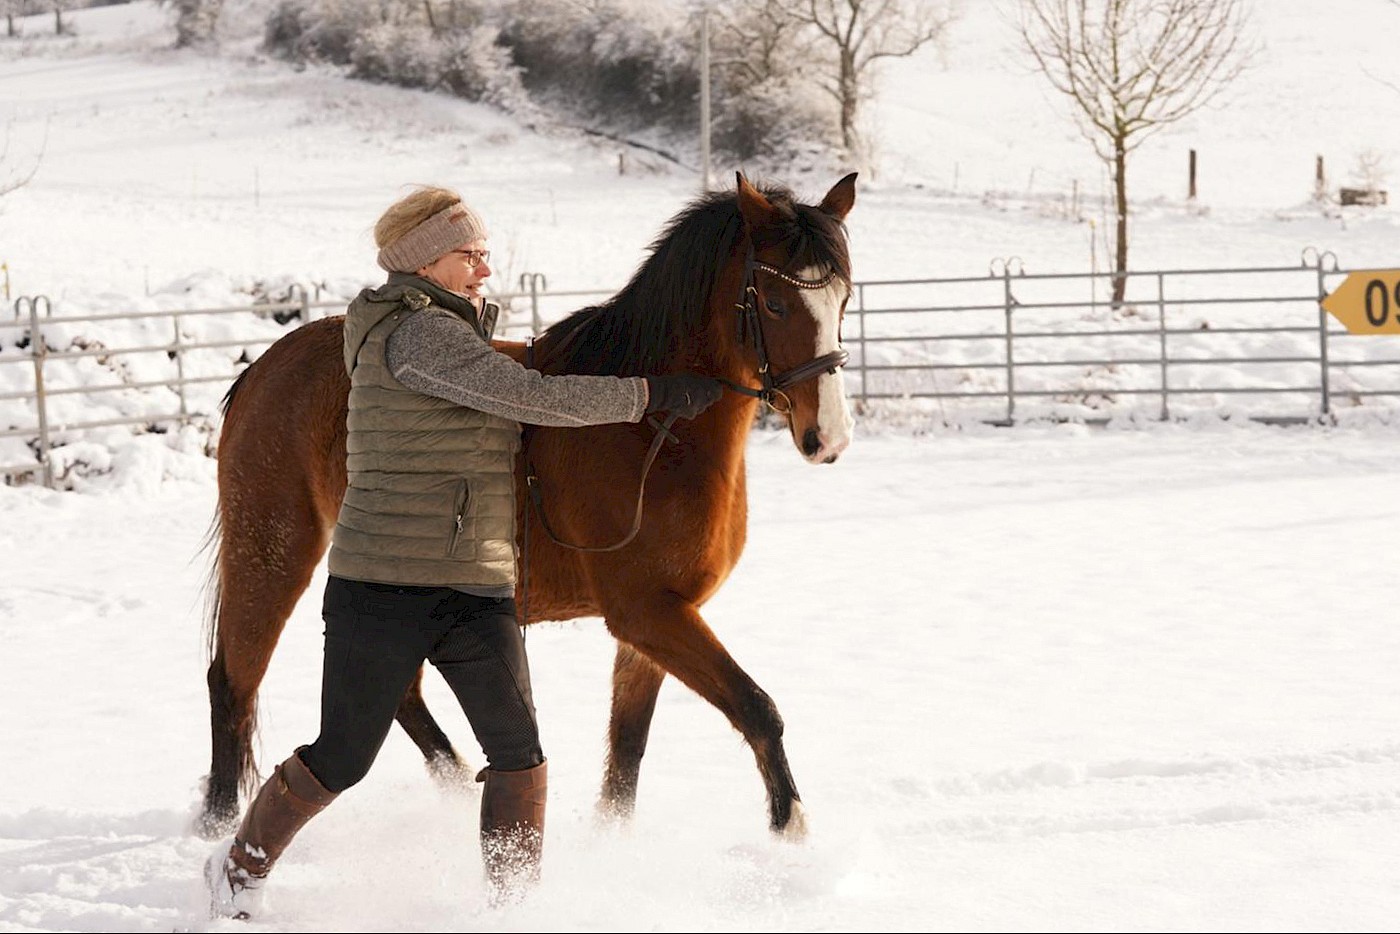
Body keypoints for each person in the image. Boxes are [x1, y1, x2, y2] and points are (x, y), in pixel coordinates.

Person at [206, 186, 723, 919]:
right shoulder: (414, 335)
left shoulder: (456, 332)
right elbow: (533, 398)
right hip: (384, 590)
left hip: (474, 586)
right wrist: (651, 394)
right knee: (343, 757)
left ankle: (512, 909)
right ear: (424, 262)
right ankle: (236, 872)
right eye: (469, 254)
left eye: (484, 253)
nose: (485, 267)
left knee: (520, 756)